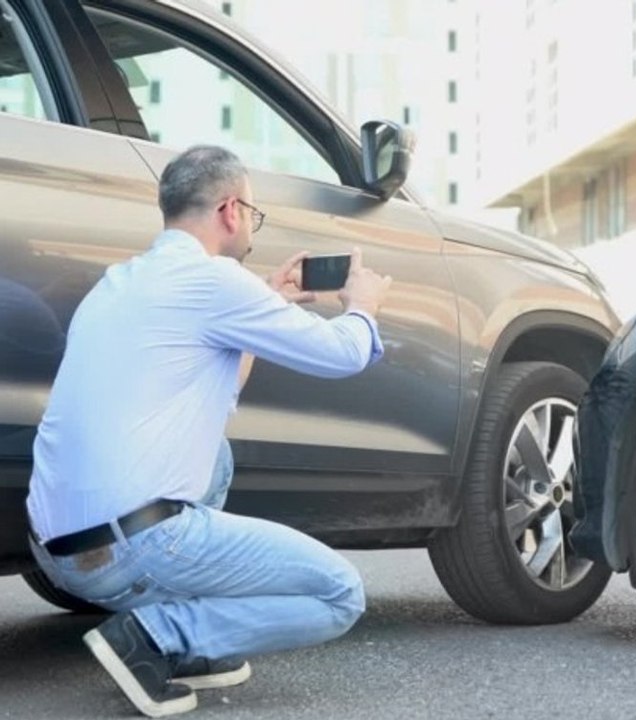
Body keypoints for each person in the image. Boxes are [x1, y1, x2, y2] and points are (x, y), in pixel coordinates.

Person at [25, 145, 392, 717]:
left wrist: (261, 309)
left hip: (57, 553)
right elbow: (344, 353)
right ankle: (158, 636)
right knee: (339, 593)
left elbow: (212, 401)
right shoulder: (215, 279)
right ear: (229, 210)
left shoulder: (119, 282)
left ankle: (189, 639)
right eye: (253, 213)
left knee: (215, 455)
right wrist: (362, 306)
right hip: (131, 549)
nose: (250, 225)